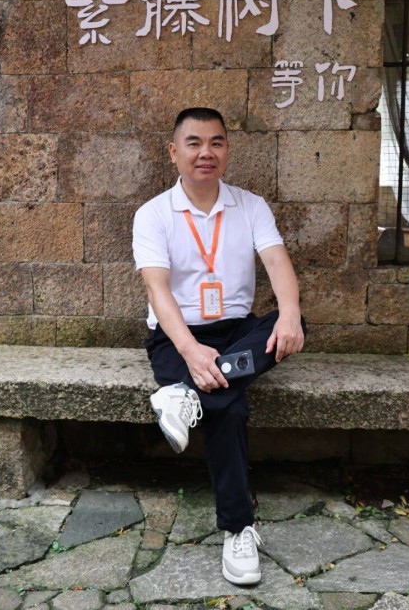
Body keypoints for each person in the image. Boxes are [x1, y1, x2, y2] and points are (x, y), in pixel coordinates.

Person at [132, 107, 305, 586]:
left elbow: (277, 262)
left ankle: (182, 394)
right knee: (227, 407)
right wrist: (190, 351)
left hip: (236, 332)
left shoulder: (250, 206)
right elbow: (157, 290)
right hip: (176, 335)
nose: (205, 152)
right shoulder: (152, 214)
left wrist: (290, 313)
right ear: (174, 152)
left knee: (290, 322)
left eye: (216, 142)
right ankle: (238, 528)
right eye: (194, 143)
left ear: (227, 150)